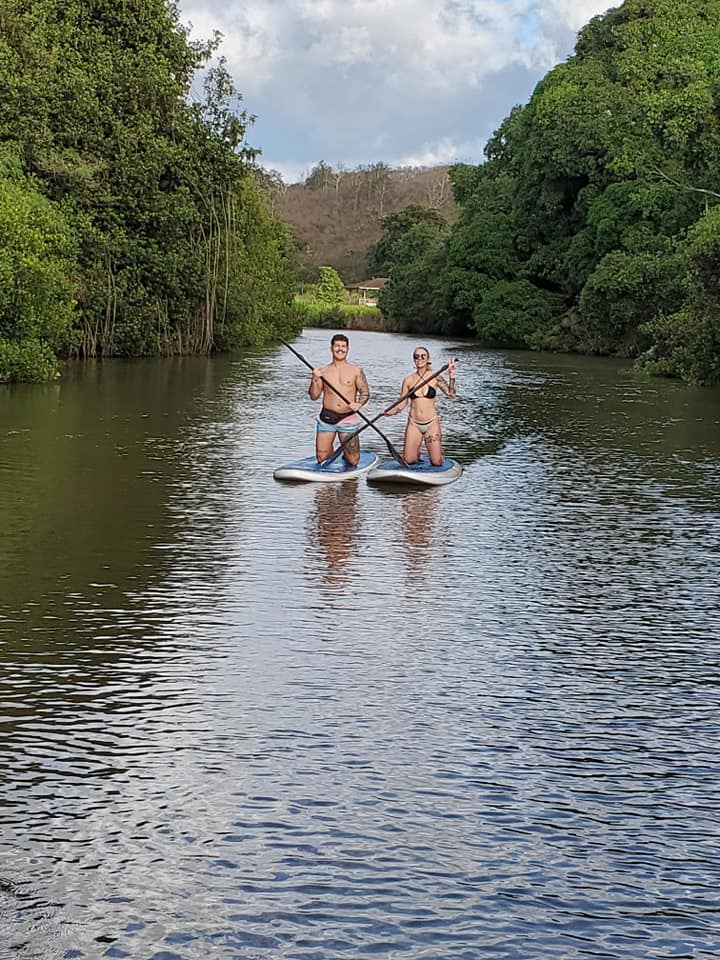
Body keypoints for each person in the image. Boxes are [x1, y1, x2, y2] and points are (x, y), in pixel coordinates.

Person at [384, 346, 457, 466]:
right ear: (413, 359)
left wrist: (452, 376)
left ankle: (438, 453)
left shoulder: (435, 378)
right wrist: (388, 412)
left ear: (428, 359)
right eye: (416, 356)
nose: (420, 359)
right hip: (414, 424)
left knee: (437, 462)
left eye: (423, 356)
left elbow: (451, 394)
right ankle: (416, 454)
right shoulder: (408, 380)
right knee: (408, 461)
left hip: (431, 423)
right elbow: (401, 405)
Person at [309, 333, 370, 466]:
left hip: (348, 418)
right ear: (331, 348)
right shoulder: (322, 371)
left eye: (343, 346)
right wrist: (314, 379)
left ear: (348, 349)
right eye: (337, 346)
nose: (340, 349)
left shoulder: (356, 371)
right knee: (321, 458)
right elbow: (314, 396)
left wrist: (359, 404)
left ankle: (344, 454)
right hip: (326, 418)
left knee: (353, 460)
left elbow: (365, 393)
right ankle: (332, 453)